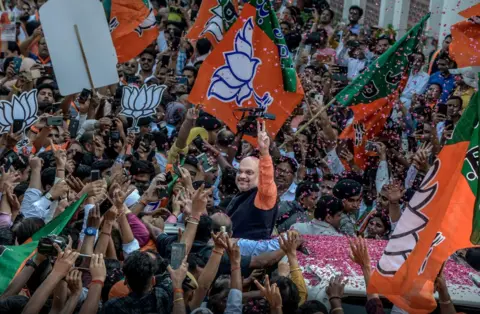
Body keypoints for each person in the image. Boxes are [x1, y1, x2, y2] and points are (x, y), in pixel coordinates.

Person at [226, 121, 278, 240]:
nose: (242, 176)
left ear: (260, 176)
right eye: (240, 171)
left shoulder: (264, 196)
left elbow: (267, 178)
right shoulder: (241, 195)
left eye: (249, 172)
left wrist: (264, 153)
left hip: (251, 256)